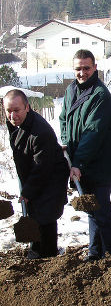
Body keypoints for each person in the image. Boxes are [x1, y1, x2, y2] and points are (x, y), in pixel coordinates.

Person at [60, 49, 111, 260]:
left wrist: (78, 163)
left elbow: (92, 134)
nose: (82, 72)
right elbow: (64, 119)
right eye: (78, 68)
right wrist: (65, 142)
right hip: (79, 163)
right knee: (92, 210)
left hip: (98, 165)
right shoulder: (71, 90)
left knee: (101, 212)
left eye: (86, 68)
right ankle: (95, 253)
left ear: (95, 68)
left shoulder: (100, 96)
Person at [3, 89, 69, 258]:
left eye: (16, 110)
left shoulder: (40, 132)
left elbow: (42, 168)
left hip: (50, 179)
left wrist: (27, 192)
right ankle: (36, 251)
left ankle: (48, 257)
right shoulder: (17, 123)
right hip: (36, 176)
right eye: (8, 111)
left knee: (46, 217)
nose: (12, 115)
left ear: (27, 107)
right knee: (35, 215)